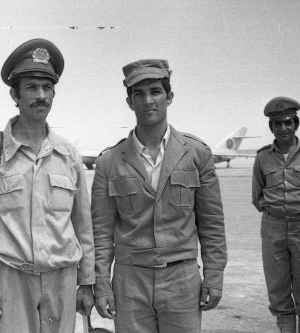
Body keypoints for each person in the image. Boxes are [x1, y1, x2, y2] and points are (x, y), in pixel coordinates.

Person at [0, 38, 95, 333]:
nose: (41, 96)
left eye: (47, 88)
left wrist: (86, 283)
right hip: (12, 278)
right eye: (32, 87)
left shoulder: (68, 154)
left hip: (62, 277)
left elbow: (83, 226)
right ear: (15, 93)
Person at [91, 59, 227, 333]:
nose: (147, 100)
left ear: (169, 97)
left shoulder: (197, 154)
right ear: (129, 102)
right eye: (138, 94)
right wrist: (102, 283)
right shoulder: (109, 162)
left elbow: (211, 224)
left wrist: (213, 276)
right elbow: (101, 232)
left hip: (182, 279)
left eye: (155, 91)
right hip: (130, 282)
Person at [252, 97, 300, 333]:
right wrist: (276, 212)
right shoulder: (263, 157)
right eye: (277, 124)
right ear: (271, 127)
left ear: (295, 123)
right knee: (277, 287)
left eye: (287, 122)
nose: (283, 128)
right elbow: (257, 196)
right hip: (273, 228)